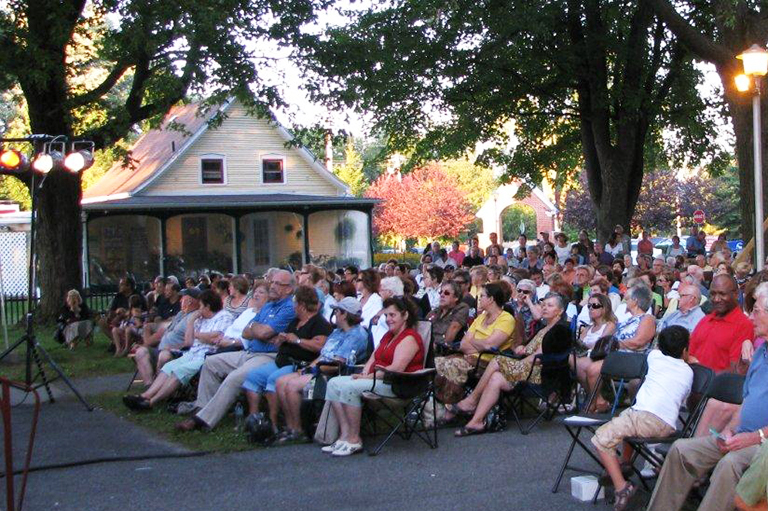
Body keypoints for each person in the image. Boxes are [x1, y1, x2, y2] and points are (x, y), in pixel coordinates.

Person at [645, 281, 768, 511]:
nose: (751, 318)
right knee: (681, 450)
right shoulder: (761, 352)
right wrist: (730, 430)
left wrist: (754, 437)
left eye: (756, 312)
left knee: (730, 463)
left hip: (763, 444)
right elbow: (746, 403)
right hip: (742, 437)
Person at [175, 269, 297, 432]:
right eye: (272, 282)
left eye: (277, 284)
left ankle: (203, 420)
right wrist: (258, 330)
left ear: (288, 289)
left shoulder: (288, 308)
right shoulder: (268, 306)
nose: (272, 286)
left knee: (234, 378)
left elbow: (263, 332)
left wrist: (258, 331)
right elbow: (246, 332)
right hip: (249, 352)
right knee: (211, 362)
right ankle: (202, 409)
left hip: (267, 356)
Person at [592, 325, 693, 511]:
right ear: (685, 350)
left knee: (601, 439)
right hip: (667, 424)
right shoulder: (689, 372)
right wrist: (689, 358)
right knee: (627, 416)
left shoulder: (654, 357)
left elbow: (655, 350)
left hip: (646, 419)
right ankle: (625, 463)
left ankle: (623, 488)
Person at [447, 293, 572, 435]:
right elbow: (529, 349)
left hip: (540, 373)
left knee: (497, 360)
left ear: (560, 311)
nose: (544, 308)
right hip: (526, 369)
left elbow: (541, 356)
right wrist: (522, 348)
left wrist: (519, 362)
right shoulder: (544, 327)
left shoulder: (560, 329)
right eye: (543, 305)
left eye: (550, 306)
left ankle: (472, 400)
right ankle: (477, 421)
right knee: (495, 378)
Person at [322, 296, 424, 456]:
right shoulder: (388, 336)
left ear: (405, 316)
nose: (388, 319)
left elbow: (396, 368)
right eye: (386, 315)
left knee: (350, 387)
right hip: (379, 380)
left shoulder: (410, 338)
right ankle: (344, 436)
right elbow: (373, 357)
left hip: (398, 385)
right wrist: (364, 372)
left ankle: (355, 440)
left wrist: (367, 378)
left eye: (392, 315)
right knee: (334, 383)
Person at [273, 297, 369, 443]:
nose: (334, 314)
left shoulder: (356, 335)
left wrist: (313, 370)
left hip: (332, 373)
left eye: (337, 311)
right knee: (280, 382)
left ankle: (299, 430)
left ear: (345, 314)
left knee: (291, 385)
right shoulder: (338, 332)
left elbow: (338, 363)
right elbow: (324, 355)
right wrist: (308, 368)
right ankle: (291, 427)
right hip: (320, 368)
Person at [241, 286, 333, 432]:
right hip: (281, 361)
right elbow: (288, 337)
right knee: (252, 377)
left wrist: (297, 341)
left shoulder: (320, 323)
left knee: (274, 379)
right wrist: (280, 339)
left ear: (302, 305)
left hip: (297, 364)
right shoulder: (295, 321)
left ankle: (273, 424)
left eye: (295, 303)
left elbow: (319, 346)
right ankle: (253, 420)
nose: (293, 306)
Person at [122, 290, 234, 411]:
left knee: (178, 371)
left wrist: (198, 335)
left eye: (201, 306)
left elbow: (216, 337)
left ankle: (151, 403)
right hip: (191, 353)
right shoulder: (200, 319)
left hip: (207, 356)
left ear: (207, 306)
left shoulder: (224, 316)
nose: (199, 309)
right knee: (168, 367)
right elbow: (189, 341)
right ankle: (144, 396)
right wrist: (191, 322)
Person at [434, 282, 515, 404]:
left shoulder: (506, 319)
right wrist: (479, 345)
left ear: (491, 299)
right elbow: (463, 344)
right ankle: (441, 404)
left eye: (481, 296)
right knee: (441, 362)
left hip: (488, 362)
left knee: (454, 365)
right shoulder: (481, 318)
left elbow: (490, 346)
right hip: (469, 358)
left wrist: (473, 342)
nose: (478, 299)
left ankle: (448, 406)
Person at [585, 285, 656, 412]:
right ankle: (598, 402)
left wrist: (615, 344)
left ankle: (593, 404)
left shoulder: (647, 318)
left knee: (592, 369)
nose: (624, 301)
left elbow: (639, 342)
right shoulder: (628, 320)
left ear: (635, 301)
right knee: (583, 364)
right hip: (618, 357)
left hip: (633, 359)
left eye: (627, 298)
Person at [132, 287, 208, 387]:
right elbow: (166, 331)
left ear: (190, 301)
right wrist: (144, 345)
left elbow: (192, 342)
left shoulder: (194, 317)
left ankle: (159, 387)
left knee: (164, 356)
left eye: (183, 298)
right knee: (141, 352)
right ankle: (149, 385)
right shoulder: (181, 314)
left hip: (176, 352)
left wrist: (173, 348)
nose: (180, 300)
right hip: (161, 348)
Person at [688, 274, 754, 373]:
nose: (716, 299)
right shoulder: (705, 320)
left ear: (736, 294)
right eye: (713, 294)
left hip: (717, 386)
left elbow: (736, 371)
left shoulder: (744, 325)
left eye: (722, 294)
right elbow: (689, 354)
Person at [573, 293, 617, 387]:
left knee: (571, 361)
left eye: (595, 305)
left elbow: (600, 344)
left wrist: (584, 345)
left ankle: (589, 394)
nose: (591, 308)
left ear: (604, 308)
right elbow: (577, 344)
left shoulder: (610, 325)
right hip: (582, 356)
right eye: (589, 306)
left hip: (598, 358)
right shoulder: (588, 328)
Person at [97, 276, 146, 346]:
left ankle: (124, 342)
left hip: (131, 319)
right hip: (118, 318)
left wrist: (124, 313)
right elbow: (112, 310)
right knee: (102, 321)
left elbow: (140, 310)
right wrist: (115, 312)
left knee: (121, 319)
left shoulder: (137, 295)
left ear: (128, 286)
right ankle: (116, 341)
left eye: (122, 284)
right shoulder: (118, 296)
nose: (119, 286)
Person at [426, 280, 470, 350]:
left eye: (446, 293)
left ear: (456, 297)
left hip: (445, 351)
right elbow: (424, 326)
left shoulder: (462, 308)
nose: (442, 295)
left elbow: (452, 332)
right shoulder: (436, 311)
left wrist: (436, 346)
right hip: (427, 346)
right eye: (440, 292)